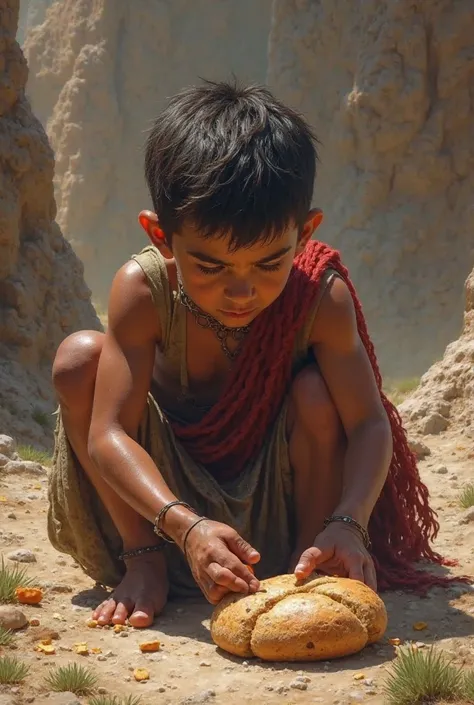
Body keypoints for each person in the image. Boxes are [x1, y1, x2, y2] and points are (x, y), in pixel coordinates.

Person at [48, 80, 454, 630]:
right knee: (79, 361)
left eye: (268, 264)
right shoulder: (145, 292)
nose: (241, 293)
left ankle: (310, 569)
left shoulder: (319, 298)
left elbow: (368, 425)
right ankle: (144, 565)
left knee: (316, 393)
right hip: (160, 520)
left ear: (304, 232)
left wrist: (349, 523)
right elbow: (108, 434)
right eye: (211, 267)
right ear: (161, 236)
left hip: (283, 521)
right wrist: (185, 529)